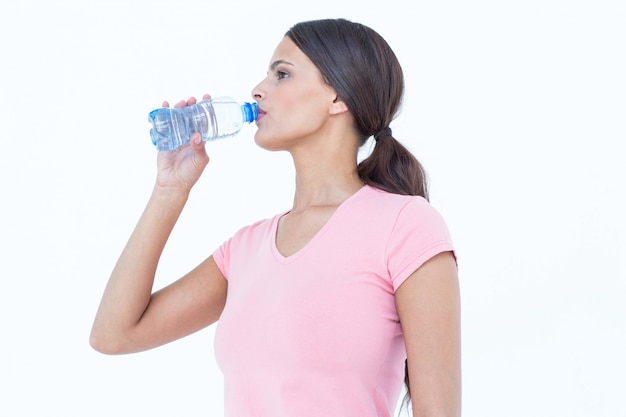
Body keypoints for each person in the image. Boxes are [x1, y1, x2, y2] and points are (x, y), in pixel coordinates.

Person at [90, 18, 461, 417]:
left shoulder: (406, 226)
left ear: (338, 97)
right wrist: (170, 190)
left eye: (282, 74)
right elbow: (114, 334)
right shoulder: (245, 249)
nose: (257, 89)